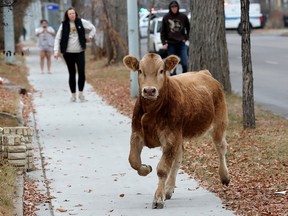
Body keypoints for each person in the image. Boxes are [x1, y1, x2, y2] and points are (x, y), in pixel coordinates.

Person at [54, 7, 96, 102]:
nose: (72, 15)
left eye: (73, 13)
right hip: (68, 53)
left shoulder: (81, 22)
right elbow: (57, 38)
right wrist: (56, 51)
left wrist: (90, 37)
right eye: (70, 14)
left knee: (81, 72)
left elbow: (93, 28)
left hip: (80, 52)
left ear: (75, 14)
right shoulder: (64, 25)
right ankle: (73, 95)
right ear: (67, 15)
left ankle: (81, 94)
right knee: (71, 73)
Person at [160, 1, 190, 75]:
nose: (174, 9)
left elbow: (189, 28)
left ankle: (184, 77)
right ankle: (173, 80)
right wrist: (164, 43)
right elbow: (162, 32)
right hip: (171, 44)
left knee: (185, 63)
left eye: (175, 7)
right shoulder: (166, 17)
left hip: (181, 43)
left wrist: (186, 37)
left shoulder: (183, 17)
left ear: (178, 7)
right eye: (172, 7)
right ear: (170, 8)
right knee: (172, 66)